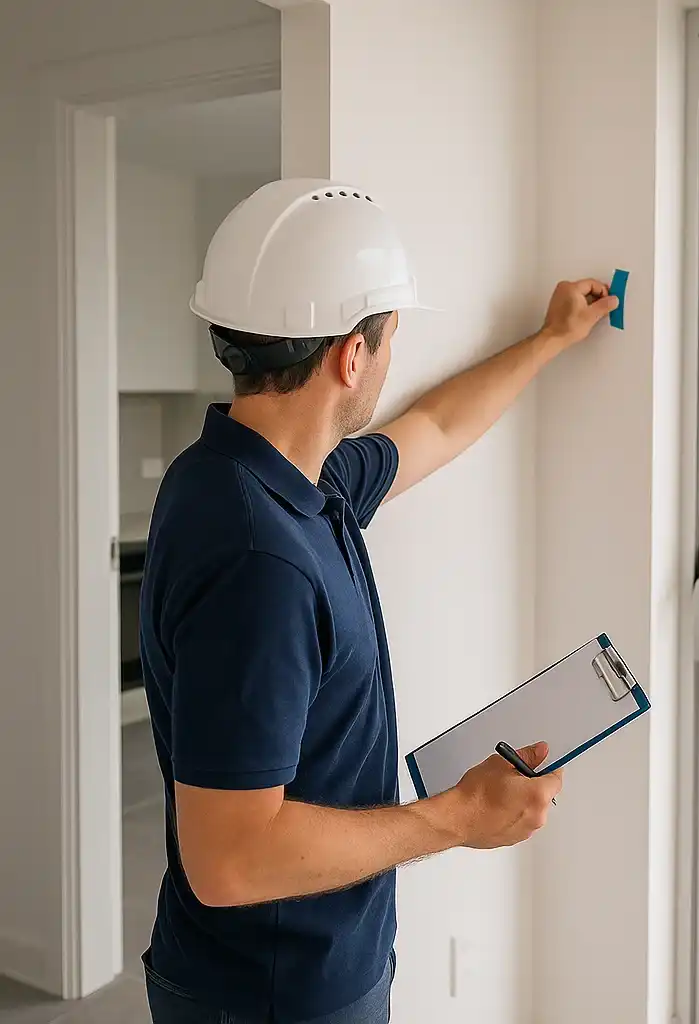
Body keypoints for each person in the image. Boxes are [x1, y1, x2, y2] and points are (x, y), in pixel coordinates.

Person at [139, 178, 618, 1024]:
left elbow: (430, 428)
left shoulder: (263, 478)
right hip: (274, 995)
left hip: (298, 969)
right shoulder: (260, 558)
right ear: (350, 358)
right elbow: (231, 862)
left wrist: (549, 340)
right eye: (390, 337)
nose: (393, 357)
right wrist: (459, 817)